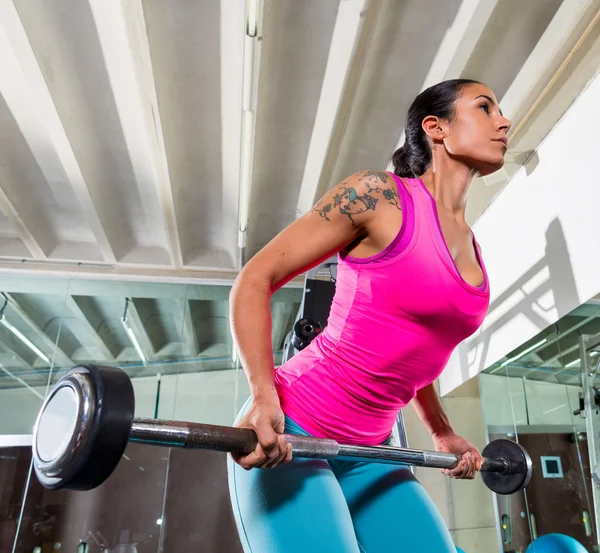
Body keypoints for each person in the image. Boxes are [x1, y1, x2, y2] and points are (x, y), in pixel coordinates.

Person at [226, 78, 511, 553]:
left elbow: (413, 355)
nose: (504, 120)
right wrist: (261, 397)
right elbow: (254, 280)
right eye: (485, 108)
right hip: (294, 429)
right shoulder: (377, 196)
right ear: (435, 128)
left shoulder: (472, 246)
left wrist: (441, 431)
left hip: (373, 451)